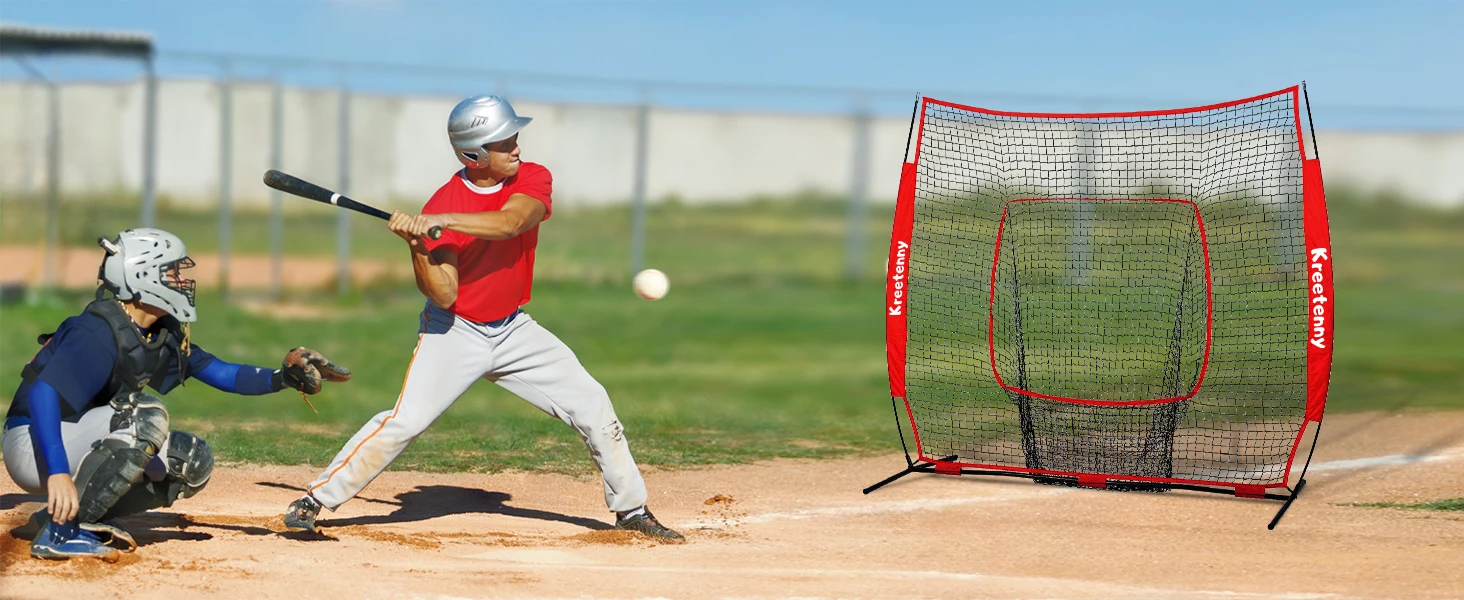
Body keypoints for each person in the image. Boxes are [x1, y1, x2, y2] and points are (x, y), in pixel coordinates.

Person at [281, 95, 682, 542]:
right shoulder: (444, 200)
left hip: (513, 328)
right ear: (472, 154)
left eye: (514, 136)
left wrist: (443, 221)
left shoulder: (530, 177)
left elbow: (513, 222)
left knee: (592, 403)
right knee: (406, 421)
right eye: (503, 141)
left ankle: (631, 510)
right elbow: (445, 293)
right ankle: (315, 499)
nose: (515, 146)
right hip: (455, 332)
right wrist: (416, 243)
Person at [4, 228, 351, 561]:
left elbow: (221, 372)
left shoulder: (157, 332)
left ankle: (69, 514)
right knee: (145, 416)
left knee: (189, 461)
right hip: (34, 442)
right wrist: (58, 473)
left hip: (75, 436)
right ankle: (60, 532)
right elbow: (43, 395)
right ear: (143, 277)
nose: (182, 281)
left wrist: (282, 378)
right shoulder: (97, 331)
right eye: (172, 273)